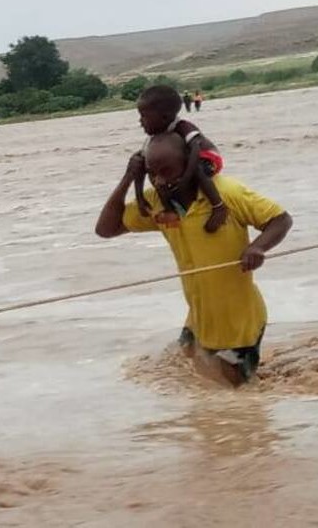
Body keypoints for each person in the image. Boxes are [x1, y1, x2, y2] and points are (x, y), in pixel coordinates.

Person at [96, 132, 293, 386]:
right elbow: (106, 229)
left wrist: (257, 248)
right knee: (194, 386)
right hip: (197, 321)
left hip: (237, 325)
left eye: (167, 171)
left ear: (189, 164)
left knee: (236, 401)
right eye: (152, 173)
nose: (159, 180)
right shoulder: (157, 204)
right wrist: (127, 179)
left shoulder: (227, 194)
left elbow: (281, 220)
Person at [134, 85, 228, 233]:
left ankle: (219, 207)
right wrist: (139, 197)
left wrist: (185, 179)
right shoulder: (151, 140)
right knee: (157, 177)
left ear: (164, 117)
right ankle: (171, 210)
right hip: (185, 161)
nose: (140, 122)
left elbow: (196, 150)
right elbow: (139, 167)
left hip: (207, 157)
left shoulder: (183, 127)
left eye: (144, 116)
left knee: (197, 168)